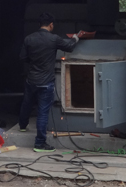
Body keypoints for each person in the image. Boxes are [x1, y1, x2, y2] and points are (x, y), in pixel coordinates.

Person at [18, 13, 86, 152]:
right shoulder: (54, 39)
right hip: (46, 82)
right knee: (43, 113)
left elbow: (22, 58)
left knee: (27, 103)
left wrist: (34, 63)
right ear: (51, 25)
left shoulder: (29, 38)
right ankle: (39, 144)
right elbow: (69, 47)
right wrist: (75, 38)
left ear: (39, 24)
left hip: (31, 79)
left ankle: (23, 125)